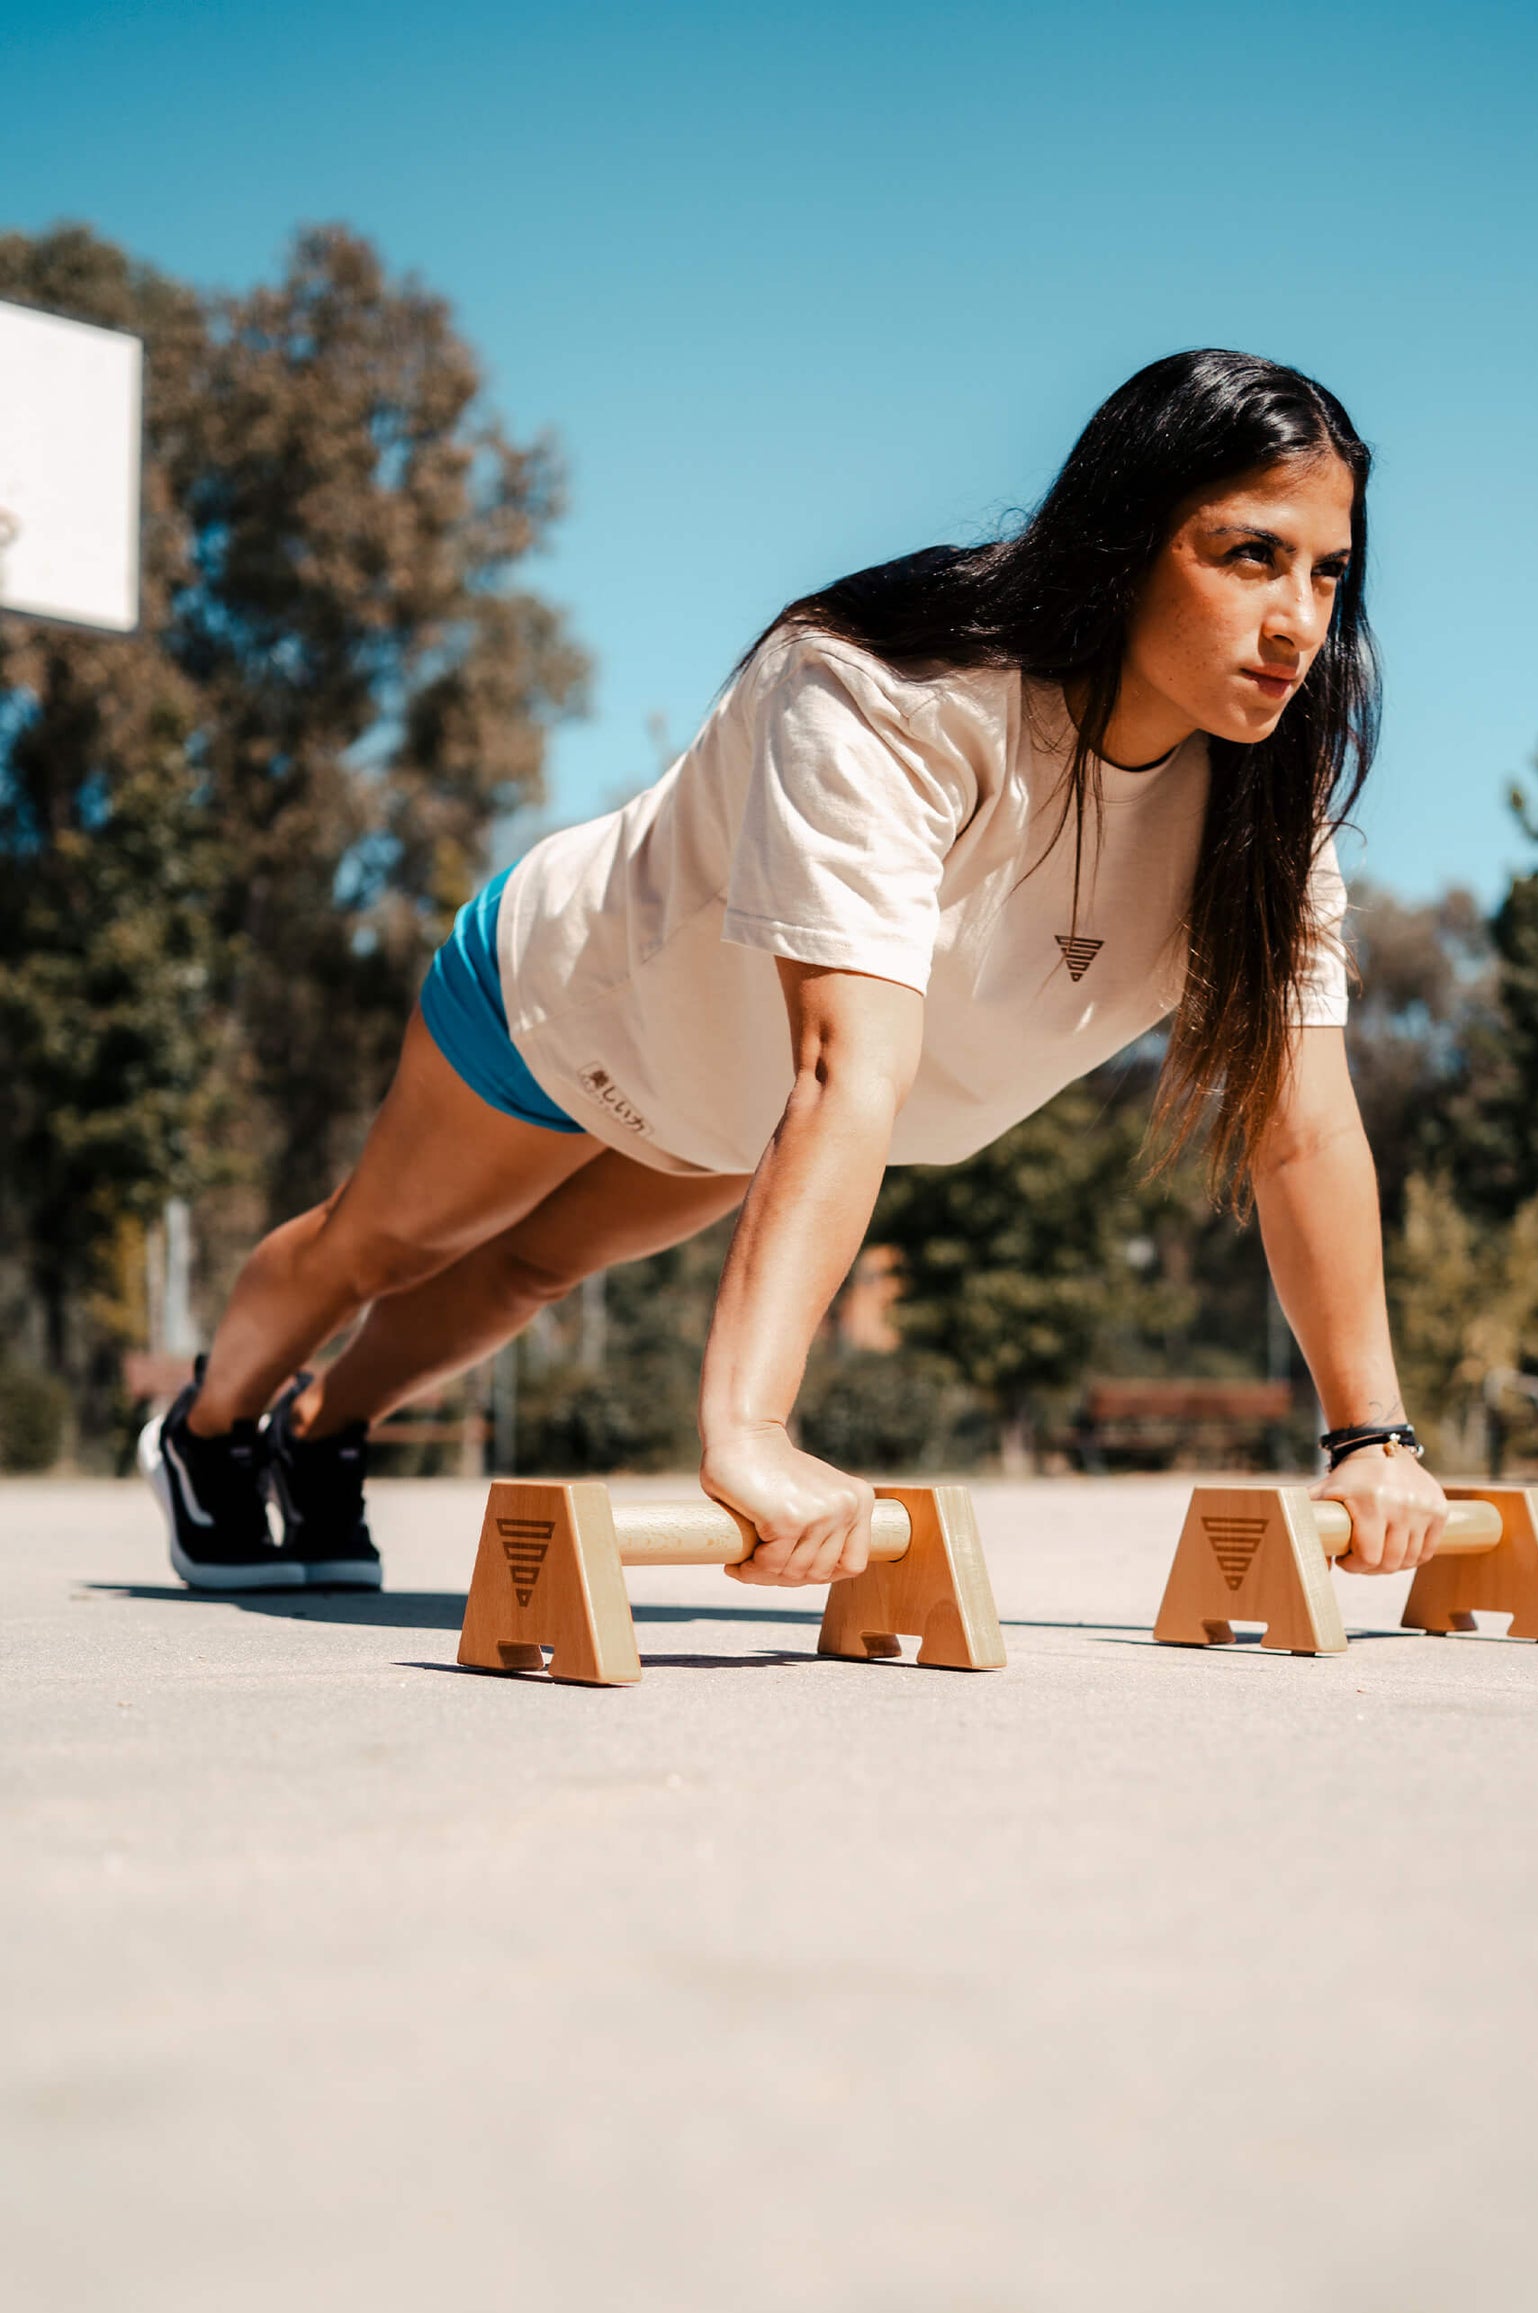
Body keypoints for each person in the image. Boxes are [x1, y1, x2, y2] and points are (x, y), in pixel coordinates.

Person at [140, 348, 1450, 1595]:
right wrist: (751, 1430)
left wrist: (1370, 1439)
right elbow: (844, 1063)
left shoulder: (1267, 822)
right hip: (574, 1002)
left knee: (526, 1276)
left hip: (735, 1102)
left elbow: (1303, 1131)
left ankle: (319, 1438)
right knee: (382, 1241)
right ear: (1126, 542)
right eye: (1250, 557)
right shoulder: (889, 690)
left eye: (1330, 575)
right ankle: (207, 1431)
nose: (1298, 623)